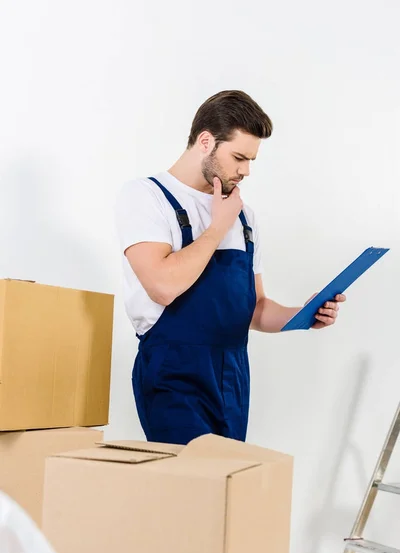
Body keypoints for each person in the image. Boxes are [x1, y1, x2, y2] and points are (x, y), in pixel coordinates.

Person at [115, 90, 346, 445]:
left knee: (225, 491)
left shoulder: (244, 216)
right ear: (205, 141)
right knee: (189, 488)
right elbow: (162, 285)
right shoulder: (147, 196)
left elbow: (256, 309)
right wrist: (217, 227)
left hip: (233, 376)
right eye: (239, 157)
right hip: (173, 372)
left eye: (251, 160)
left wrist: (305, 314)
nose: (246, 171)